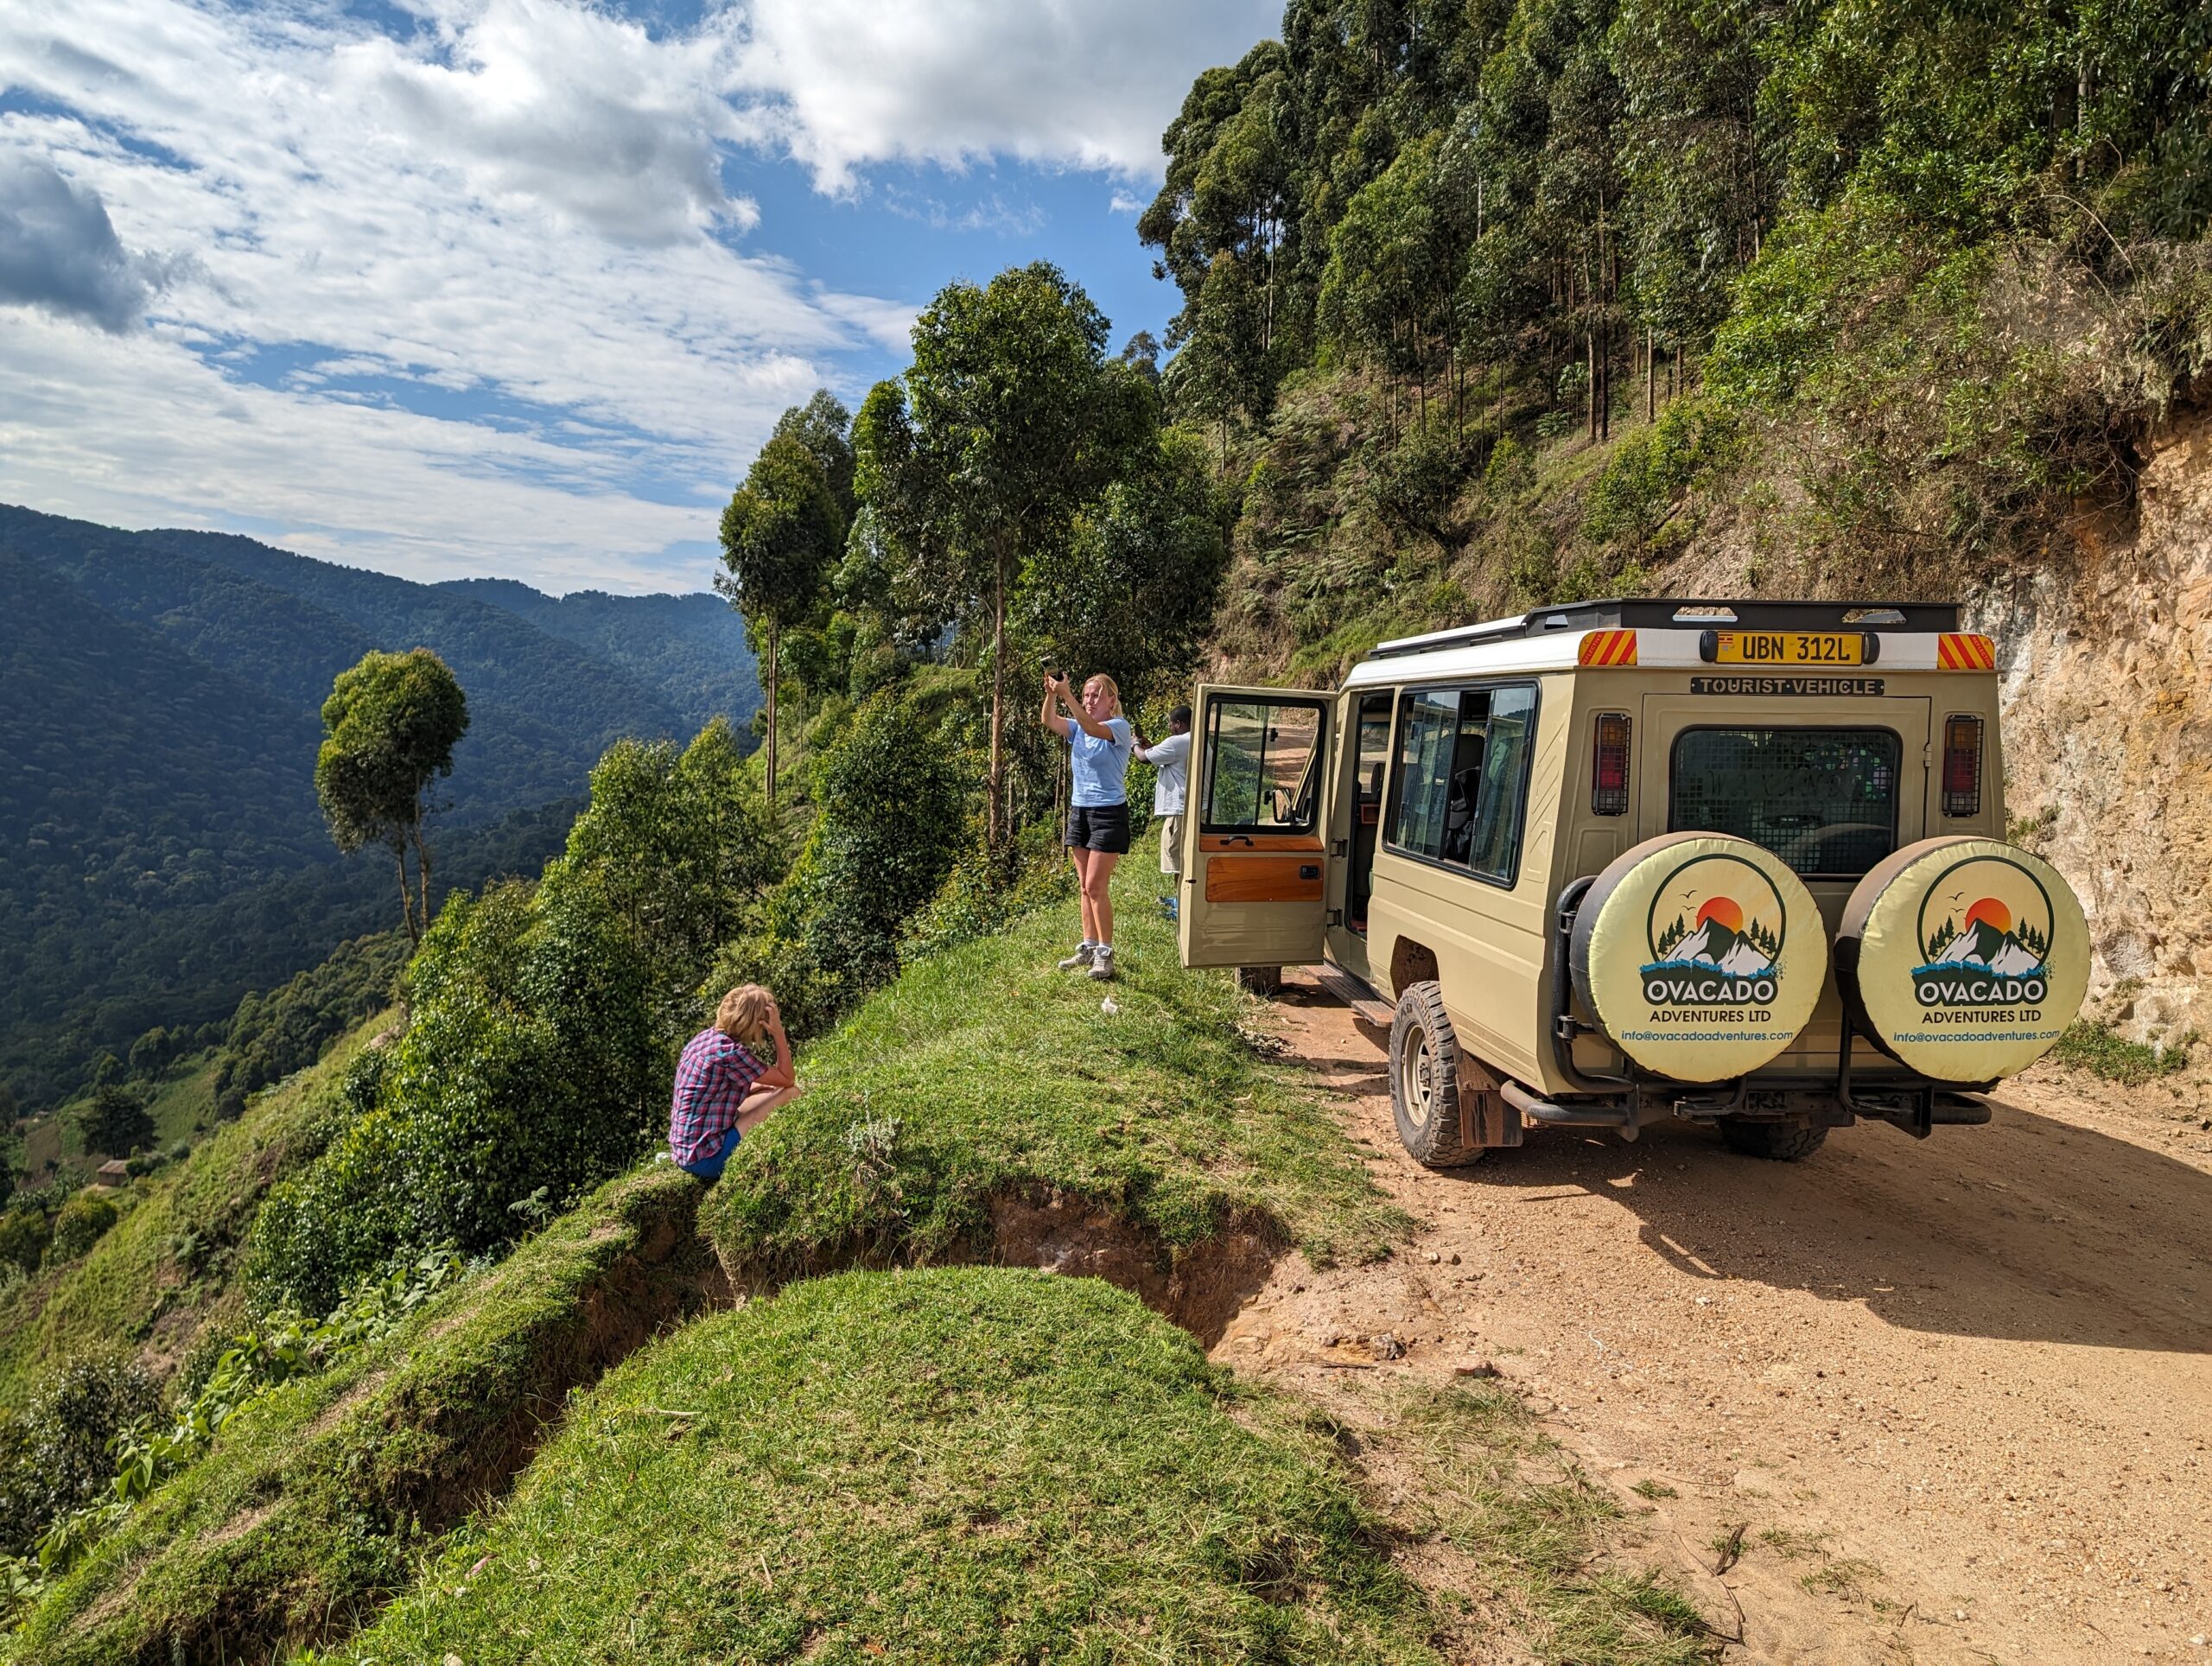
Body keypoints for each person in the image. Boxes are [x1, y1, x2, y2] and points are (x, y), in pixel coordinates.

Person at [1040, 669, 1133, 980]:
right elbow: (1049, 721)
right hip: (1081, 810)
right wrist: (1053, 693)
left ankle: (1106, 954)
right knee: (1084, 887)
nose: (1089, 700)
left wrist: (1066, 695)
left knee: (1096, 886)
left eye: (1095, 695)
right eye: (1086, 695)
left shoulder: (1118, 727)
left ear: (1111, 700)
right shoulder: (1078, 729)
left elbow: (1093, 728)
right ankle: (1089, 947)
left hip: (1108, 814)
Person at [668, 984, 801, 1181]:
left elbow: (712, 1090)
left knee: (767, 1091)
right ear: (756, 1022)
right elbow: (787, 1078)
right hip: (707, 1159)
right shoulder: (732, 1053)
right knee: (791, 1093)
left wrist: (758, 1088)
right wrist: (778, 1033)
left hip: (685, 1151)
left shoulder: (703, 1039)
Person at [1133, 705, 1192, 921]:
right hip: (1190, 809)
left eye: (1170, 723)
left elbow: (1143, 758)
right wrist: (1152, 747)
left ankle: (1182, 909)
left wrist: (1135, 745)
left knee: (1179, 860)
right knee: (1184, 858)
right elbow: (1166, 757)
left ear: (1178, 723)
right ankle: (1180, 900)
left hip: (1179, 810)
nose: (1169, 727)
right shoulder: (1195, 740)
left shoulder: (1177, 742)